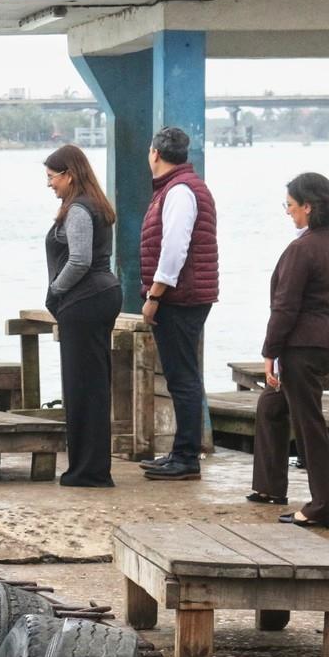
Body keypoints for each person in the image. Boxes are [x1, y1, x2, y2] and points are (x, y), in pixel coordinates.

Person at [250, 173, 329, 529]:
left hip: (305, 346)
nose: (289, 213)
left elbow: (285, 307)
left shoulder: (302, 249)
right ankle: (269, 486)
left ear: (308, 206)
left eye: (291, 206)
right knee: (273, 402)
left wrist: (269, 351)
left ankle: (322, 506)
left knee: (309, 425)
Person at [138, 126, 219, 481]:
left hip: (180, 297)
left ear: (154, 153)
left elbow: (174, 248)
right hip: (186, 294)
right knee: (179, 375)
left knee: (182, 378)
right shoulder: (180, 188)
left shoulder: (180, 191)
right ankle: (180, 452)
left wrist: (155, 295)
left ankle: (186, 457)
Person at [42, 145, 124, 487]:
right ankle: (91, 467)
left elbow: (79, 261)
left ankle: (88, 471)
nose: (49, 185)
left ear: (69, 174)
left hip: (85, 299)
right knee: (93, 385)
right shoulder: (96, 204)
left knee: (81, 387)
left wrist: (55, 292)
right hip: (102, 295)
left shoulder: (77, 209)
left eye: (51, 177)